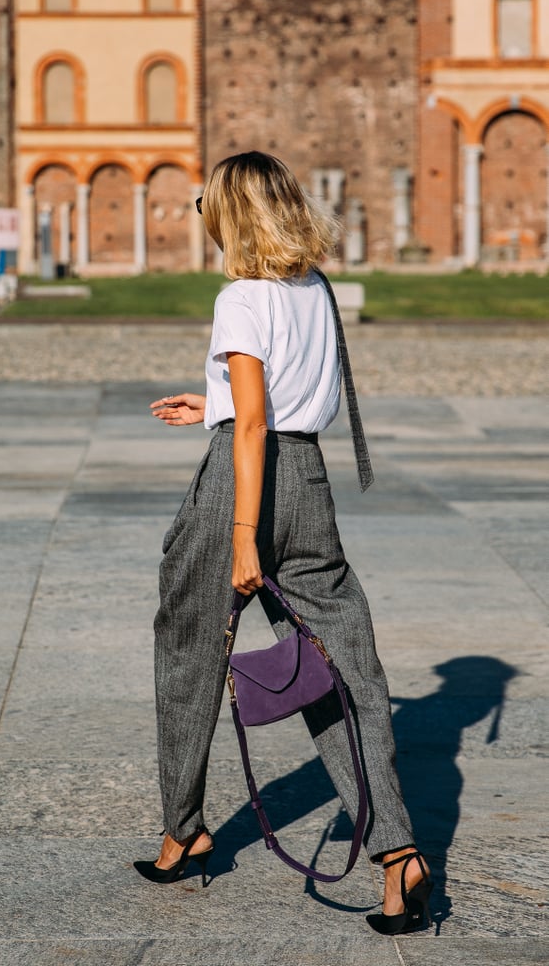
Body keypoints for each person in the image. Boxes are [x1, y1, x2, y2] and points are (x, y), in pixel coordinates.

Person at [133, 151, 432, 935]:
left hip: (245, 485)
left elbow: (256, 423)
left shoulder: (240, 297)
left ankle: (183, 830)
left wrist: (241, 539)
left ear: (229, 215)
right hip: (311, 484)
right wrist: (214, 402)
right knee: (341, 669)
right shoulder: (315, 288)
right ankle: (397, 853)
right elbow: (289, 399)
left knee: (188, 648)